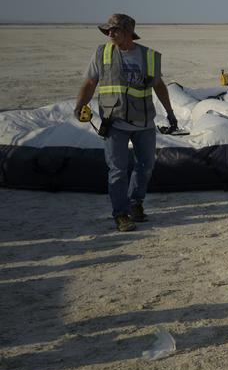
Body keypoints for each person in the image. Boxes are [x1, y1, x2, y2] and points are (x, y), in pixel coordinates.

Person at [72, 13, 178, 232]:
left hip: (144, 122)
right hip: (115, 121)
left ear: (129, 33)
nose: (110, 34)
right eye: (108, 31)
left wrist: (170, 112)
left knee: (146, 166)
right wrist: (80, 105)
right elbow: (90, 82)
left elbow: (158, 85)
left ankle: (135, 203)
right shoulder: (102, 54)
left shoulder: (148, 56)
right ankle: (121, 214)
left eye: (115, 30)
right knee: (117, 170)